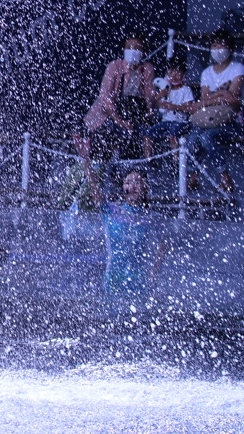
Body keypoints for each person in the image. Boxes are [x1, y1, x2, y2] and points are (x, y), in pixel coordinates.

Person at [78, 156, 168, 301]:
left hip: (140, 278)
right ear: (123, 187)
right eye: (128, 182)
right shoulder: (112, 212)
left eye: (137, 182)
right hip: (114, 276)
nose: (132, 186)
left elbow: (164, 243)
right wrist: (86, 160)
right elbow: (95, 189)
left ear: (146, 187)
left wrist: (154, 271)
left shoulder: (152, 218)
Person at [78, 35, 156, 164]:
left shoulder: (147, 68)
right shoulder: (115, 66)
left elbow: (149, 95)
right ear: (124, 50)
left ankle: (145, 164)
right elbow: (105, 98)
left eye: (137, 48)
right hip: (111, 113)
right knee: (105, 136)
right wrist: (120, 121)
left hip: (136, 112)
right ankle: (99, 167)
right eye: (129, 47)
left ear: (143, 51)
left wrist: (149, 112)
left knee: (143, 135)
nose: (133, 51)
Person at [186, 31, 244, 193]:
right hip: (209, 120)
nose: (218, 49)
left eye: (222, 45)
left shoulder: (238, 68)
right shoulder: (206, 72)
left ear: (230, 48)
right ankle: (193, 177)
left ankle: (225, 178)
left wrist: (209, 99)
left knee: (206, 137)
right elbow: (206, 97)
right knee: (193, 138)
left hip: (232, 122)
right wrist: (222, 93)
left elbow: (233, 98)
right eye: (214, 45)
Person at [143, 56, 194, 159]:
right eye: (171, 72)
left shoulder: (186, 89)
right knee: (148, 133)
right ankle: (149, 159)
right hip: (165, 121)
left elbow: (188, 108)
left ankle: (176, 161)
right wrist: (159, 97)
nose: (174, 75)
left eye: (177, 72)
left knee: (173, 134)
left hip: (180, 122)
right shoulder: (165, 89)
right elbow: (160, 108)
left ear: (183, 74)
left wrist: (173, 106)